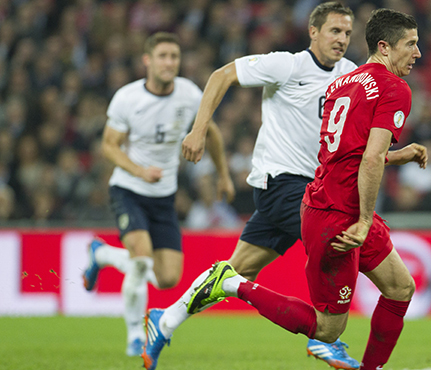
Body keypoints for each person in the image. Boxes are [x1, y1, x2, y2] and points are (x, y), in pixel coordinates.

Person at [183, 8, 425, 370]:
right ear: (385, 47)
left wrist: (395, 157)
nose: (418, 53)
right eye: (411, 44)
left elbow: (345, 155)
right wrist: (362, 220)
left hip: (328, 199)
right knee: (327, 331)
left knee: (400, 287)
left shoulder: (346, 82)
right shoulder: (393, 88)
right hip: (339, 216)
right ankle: (232, 283)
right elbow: (369, 159)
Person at [142, 3, 360, 370]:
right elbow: (221, 75)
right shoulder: (287, 65)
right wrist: (198, 130)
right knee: (333, 244)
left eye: (347, 33)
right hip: (283, 182)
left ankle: (165, 320)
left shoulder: (351, 74)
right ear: (313, 31)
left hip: (312, 187)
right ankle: (327, 339)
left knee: (237, 271)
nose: (341, 39)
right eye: (334, 31)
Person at [81, 32, 235, 357]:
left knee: (167, 278)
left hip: (164, 196)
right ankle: (135, 335)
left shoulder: (190, 95)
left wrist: (222, 175)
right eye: (163, 56)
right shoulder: (127, 98)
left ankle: (102, 255)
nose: (169, 63)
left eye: (174, 57)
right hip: (130, 189)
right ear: (147, 60)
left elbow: (212, 133)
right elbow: (109, 145)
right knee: (140, 260)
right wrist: (139, 171)